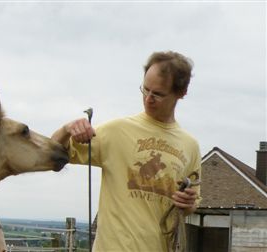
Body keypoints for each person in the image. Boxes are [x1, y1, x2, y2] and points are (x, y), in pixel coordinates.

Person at [51, 51, 201, 251]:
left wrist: (188, 204)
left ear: (181, 93)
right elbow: (53, 153)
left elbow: (192, 205)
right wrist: (66, 129)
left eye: (158, 94)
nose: (148, 99)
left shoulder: (190, 146)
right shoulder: (116, 131)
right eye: (145, 90)